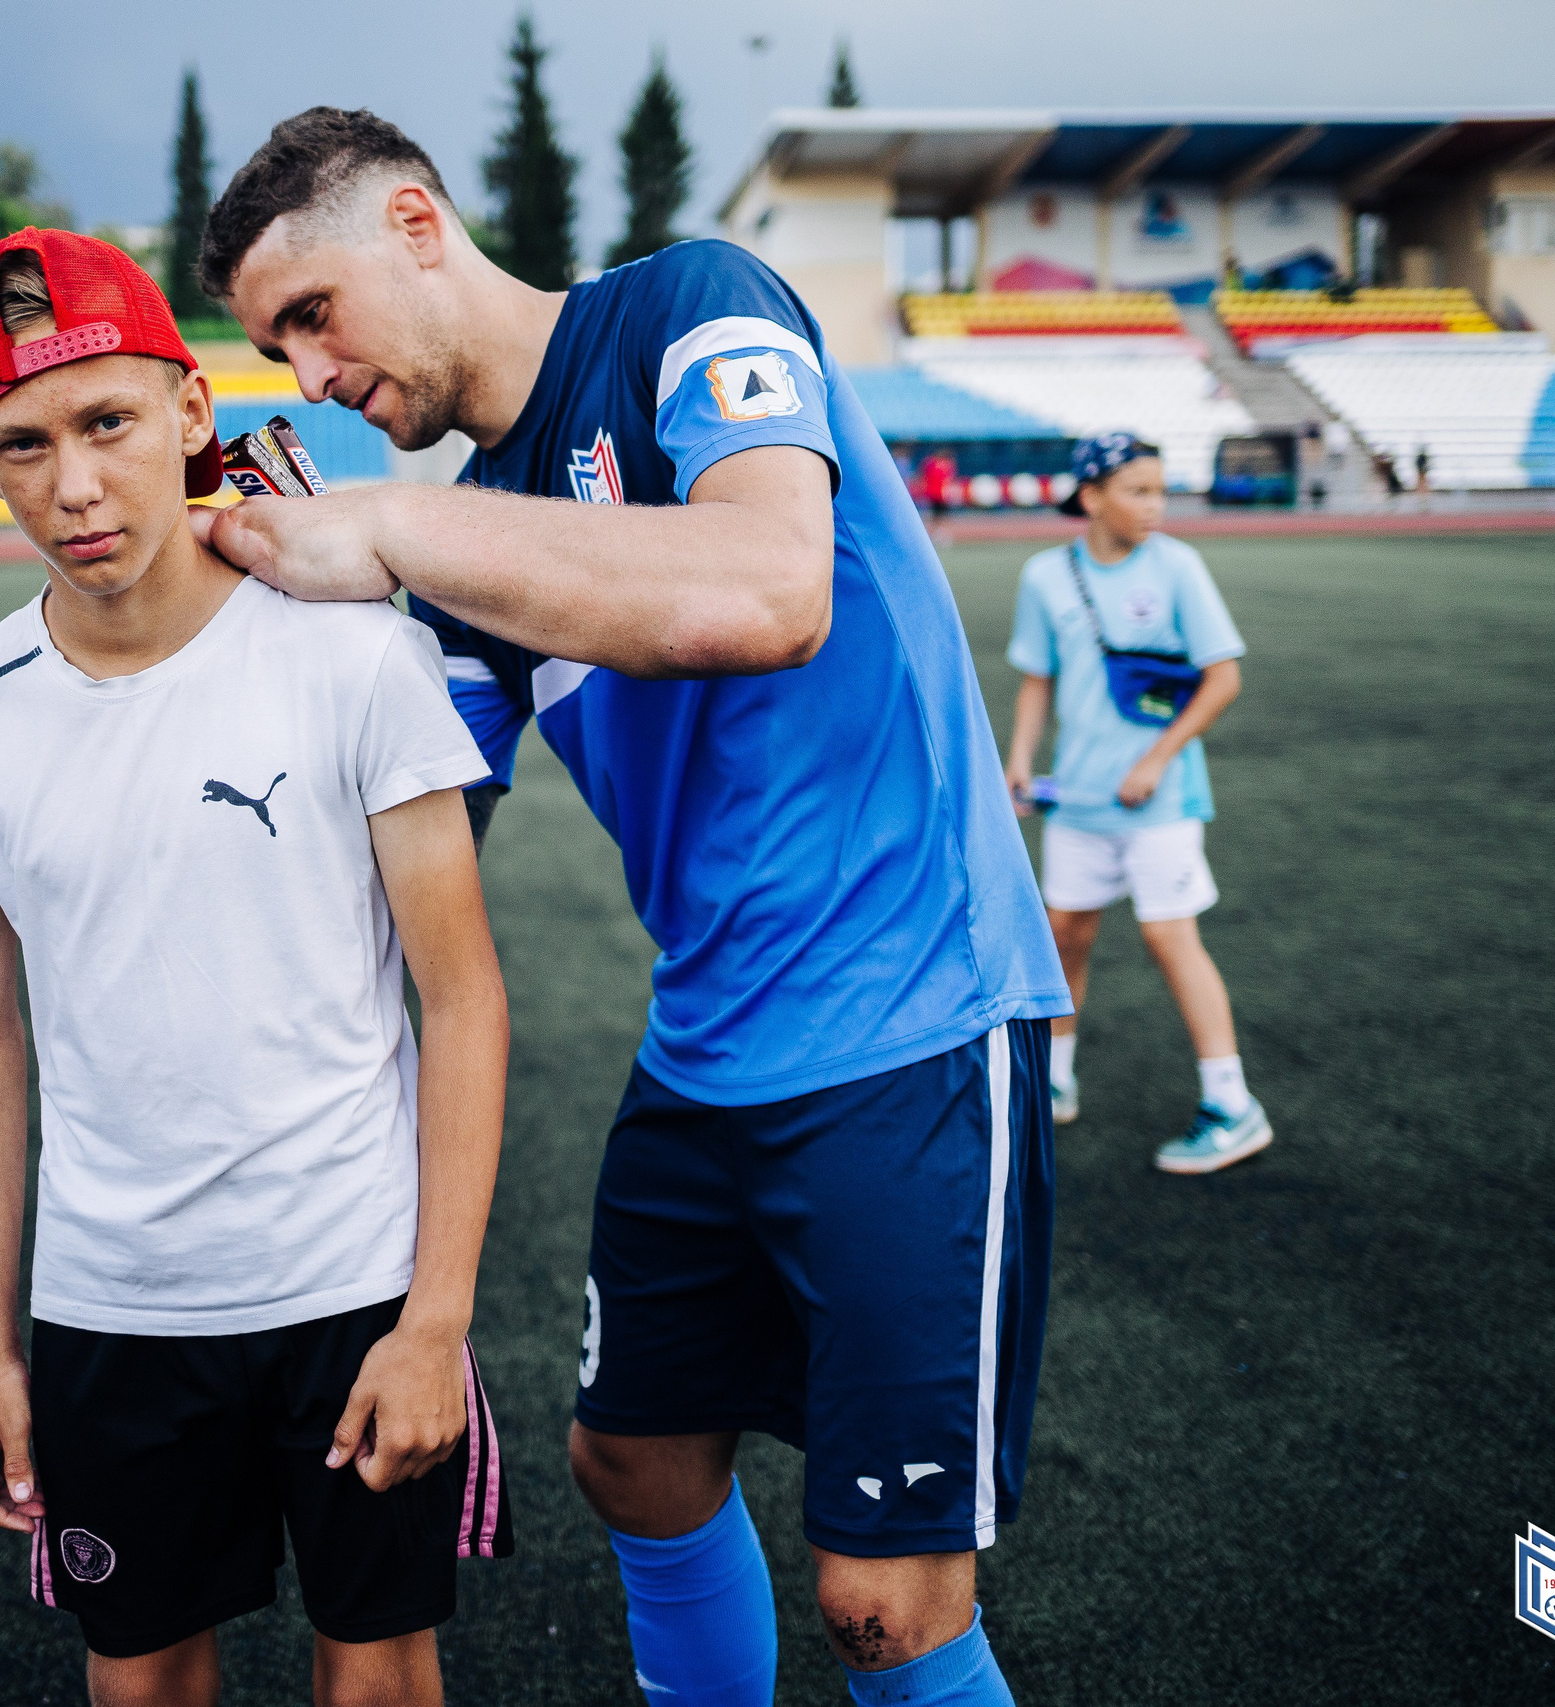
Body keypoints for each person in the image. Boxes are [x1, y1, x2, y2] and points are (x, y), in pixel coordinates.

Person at [195, 109, 1065, 1707]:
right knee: (631, 1461)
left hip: (911, 1024)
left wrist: (388, 529)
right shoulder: (474, 533)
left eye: (310, 316)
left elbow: (767, 589)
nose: (308, 376)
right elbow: (407, 824)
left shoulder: (691, 303)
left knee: (883, 1602)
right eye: (272, 349)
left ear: (413, 222)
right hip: (706, 1045)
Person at [0, 228, 514, 1707]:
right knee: (142, 1678)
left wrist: (436, 1319)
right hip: (113, 1304)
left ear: (190, 410)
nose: (74, 485)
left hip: (351, 1280)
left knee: (377, 1674)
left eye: (107, 423)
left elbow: (463, 996)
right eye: (24, 442)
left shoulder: (351, 655)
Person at [1001, 433, 1268, 1174]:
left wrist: (1155, 759)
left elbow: (1223, 678)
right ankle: (1053, 1081)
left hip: (1161, 799)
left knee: (1169, 936)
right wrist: (1021, 757)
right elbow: (1037, 677)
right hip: (1080, 799)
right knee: (1066, 935)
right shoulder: (1045, 576)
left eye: (1161, 489)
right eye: (1139, 490)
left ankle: (1233, 1105)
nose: (1156, 505)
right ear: (1091, 497)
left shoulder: (1177, 566)